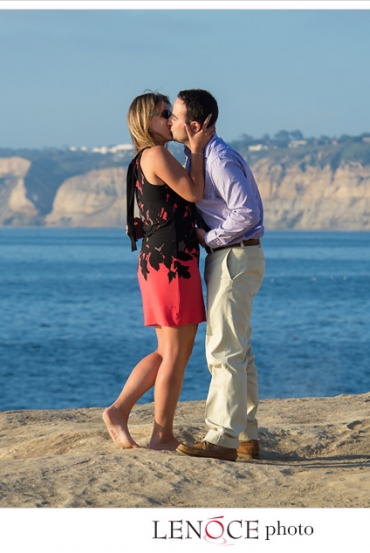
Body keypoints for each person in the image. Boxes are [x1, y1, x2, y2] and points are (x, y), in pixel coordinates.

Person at [102, 92, 214, 451]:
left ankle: (119, 411)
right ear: (144, 121)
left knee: (167, 351)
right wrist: (196, 149)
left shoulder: (139, 160)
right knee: (176, 354)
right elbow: (194, 192)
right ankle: (161, 434)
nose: (170, 119)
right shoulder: (156, 154)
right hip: (172, 265)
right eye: (163, 113)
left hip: (158, 263)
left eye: (169, 112)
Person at [169, 89, 265, 462]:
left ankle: (221, 438)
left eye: (175, 117)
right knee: (240, 350)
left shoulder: (218, 160)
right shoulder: (214, 155)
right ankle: (246, 436)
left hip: (232, 258)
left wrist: (209, 237)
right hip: (241, 257)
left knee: (223, 350)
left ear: (194, 125)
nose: (172, 122)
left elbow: (246, 213)